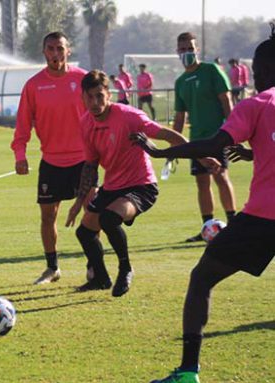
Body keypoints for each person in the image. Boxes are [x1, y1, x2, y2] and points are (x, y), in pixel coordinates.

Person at [137, 25, 275, 383]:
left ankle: (187, 373)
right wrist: (255, 148)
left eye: (257, 73)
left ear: (265, 72)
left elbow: (214, 144)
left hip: (264, 218)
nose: (255, 79)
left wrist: (163, 151)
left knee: (201, 279)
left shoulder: (258, 103)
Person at [65, 70, 190, 297]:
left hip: (141, 186)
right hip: (113, 187)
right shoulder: (85, 124)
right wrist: (78, 202)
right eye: (90, 97)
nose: (95, 102)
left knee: (109, 219)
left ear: (109, 96)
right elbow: (91, 166)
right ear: (82, 97)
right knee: (84, 232)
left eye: (99, 96)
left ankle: (126, 268)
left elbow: (169, 135)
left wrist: (203, 156)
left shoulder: (129, 116)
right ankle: (101, 279)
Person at [11, 31, 88, 285]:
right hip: (52, 162)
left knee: (92, 213)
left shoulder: (83, 79)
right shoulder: (33, 85)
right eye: (51, 49)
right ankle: (52, 268)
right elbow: (22, 125)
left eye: (60, 48)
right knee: (47, 217)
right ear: (44, 52)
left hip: (83, 160)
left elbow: (101, 115)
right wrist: (20, 155)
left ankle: (93, 265)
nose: (56, 54)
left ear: (69, 50)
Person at [174, 32, 237, 243]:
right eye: (182, 49)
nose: (186, 53)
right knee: (202, 183)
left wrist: (233, 131)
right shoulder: (180, 81)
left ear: (197, 49)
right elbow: (180, 117)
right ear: (177, 52)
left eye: (190, 48)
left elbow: (226, 100)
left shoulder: (211, 70)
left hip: (218, 136)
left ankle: (233, 223)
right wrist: (174, 145)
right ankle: (207, 227)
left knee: (221, 176)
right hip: (196, 141)